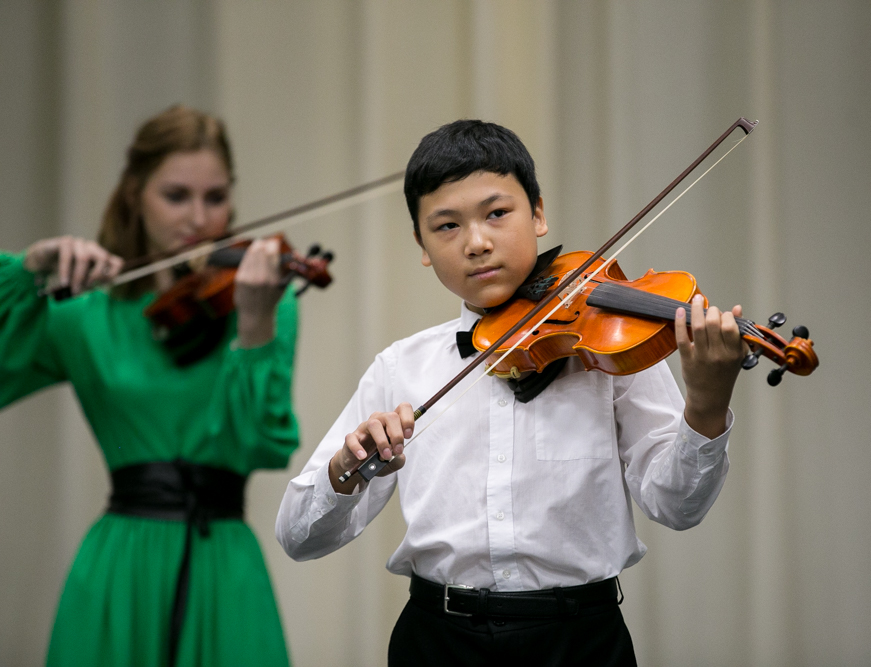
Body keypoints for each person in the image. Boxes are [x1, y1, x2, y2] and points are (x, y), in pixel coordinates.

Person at [276, 120, 744, 666]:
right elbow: (297, 537)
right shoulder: (401, 367)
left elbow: (676, 505)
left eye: (497, 214)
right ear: (421, 245)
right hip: (437, 642)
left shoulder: (609, 343)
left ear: (538, 214)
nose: (477, 242)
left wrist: (706, 406)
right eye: (446, 226)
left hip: (579, 642)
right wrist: (346, 467)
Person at [1, 105, 298, 667]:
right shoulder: (83, 311)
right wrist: (26, 271)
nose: (198, 218)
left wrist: (255, 324)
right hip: (121, 567)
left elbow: (259, 444)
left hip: (224, 567)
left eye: (215, 198)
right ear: (135, 192)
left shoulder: (262, 301)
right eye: (176, 195)